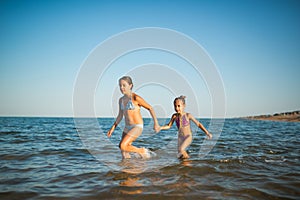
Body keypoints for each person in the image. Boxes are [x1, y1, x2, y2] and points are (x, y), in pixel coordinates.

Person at [107, 76, 160, 159]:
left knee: (123, 145)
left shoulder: (136, 98)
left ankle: (141, 151)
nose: (121, 88)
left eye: (124, 85)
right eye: (120, 85)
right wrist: (112, 128)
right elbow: (120, 116)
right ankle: (127, 167)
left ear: (130, 85)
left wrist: (156, 124)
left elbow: (150, 108)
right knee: (123, 151)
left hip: (137, 126)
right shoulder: (121, 100)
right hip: (127, 127)